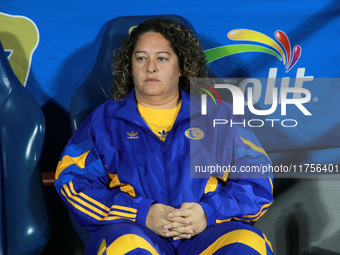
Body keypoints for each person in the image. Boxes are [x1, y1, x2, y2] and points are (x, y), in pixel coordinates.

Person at [55, 17, 274, 254]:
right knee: (123, 244)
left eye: (162, 58)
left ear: (181, 67)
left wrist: (208, 212)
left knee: (248, 243)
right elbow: (72, 182)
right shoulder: (105, 121)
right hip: (136, 232)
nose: (151, 67)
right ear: (130, 68)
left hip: (206, 233)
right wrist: (140, 213)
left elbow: (257, 181)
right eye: (141, 58)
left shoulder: (219, 116)